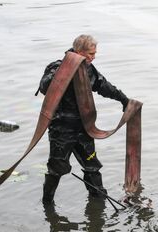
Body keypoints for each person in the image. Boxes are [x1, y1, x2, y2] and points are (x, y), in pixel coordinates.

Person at [38, 34, 130, 204]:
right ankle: (47, 203)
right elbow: (44, 87)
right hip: (61, 130)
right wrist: (62, 72)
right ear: (79, 52)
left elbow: (104, 86)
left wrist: (124, 100)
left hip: (84, 129)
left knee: (92, 166)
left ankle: (98, 202)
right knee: (56, 169)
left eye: (95, 54)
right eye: (90, 54)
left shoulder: (88, 69)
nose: (93, 58)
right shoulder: (57, 67)